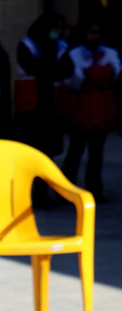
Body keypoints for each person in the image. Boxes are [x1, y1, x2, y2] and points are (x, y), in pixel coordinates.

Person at [60, 22, 121, 203]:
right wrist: (100, 74)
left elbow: (113, 77)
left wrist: (91, 74)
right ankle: (66, 191)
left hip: (102, 111)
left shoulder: (111, 53)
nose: (95, 36)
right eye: (91, 32)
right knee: (75, 153)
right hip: (80, 110)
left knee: (97, 155)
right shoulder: (74, 54)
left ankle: (95, 190)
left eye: (98, 32)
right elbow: (76, 80)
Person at [15, 13, 68, 159]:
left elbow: (67, 69)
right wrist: (52, 67)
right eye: (54, 27)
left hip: (52, 103)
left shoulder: (61, 46)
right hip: (31, 103)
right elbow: (30, 67)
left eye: (59, 28)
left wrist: (46, 67)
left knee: (49, 150)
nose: (56, 31)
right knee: (30, 148)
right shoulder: (27, 44)